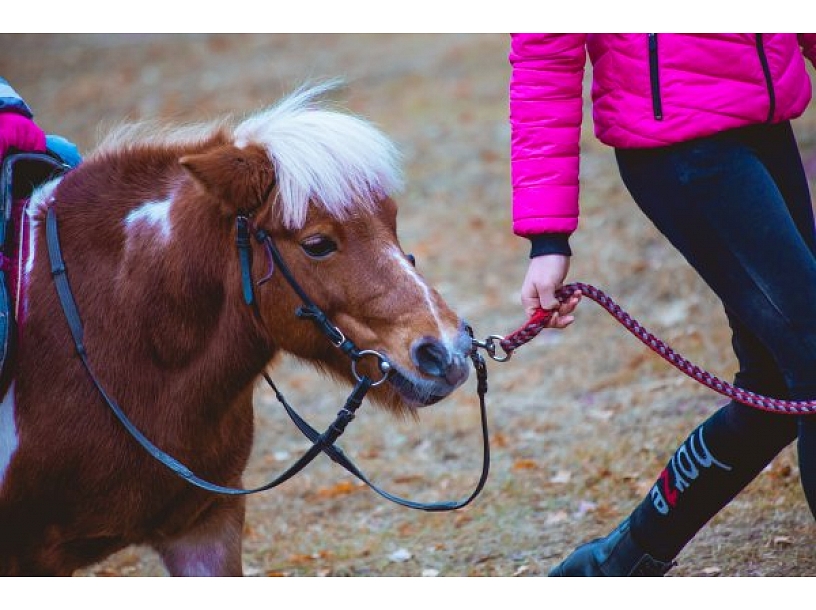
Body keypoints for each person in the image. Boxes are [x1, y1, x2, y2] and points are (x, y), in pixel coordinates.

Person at [509, 34, 816, 576]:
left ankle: (613, 568)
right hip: (683, 145)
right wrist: (547, 237)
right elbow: (543, 59)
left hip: (766, 118)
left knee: (776, 387)